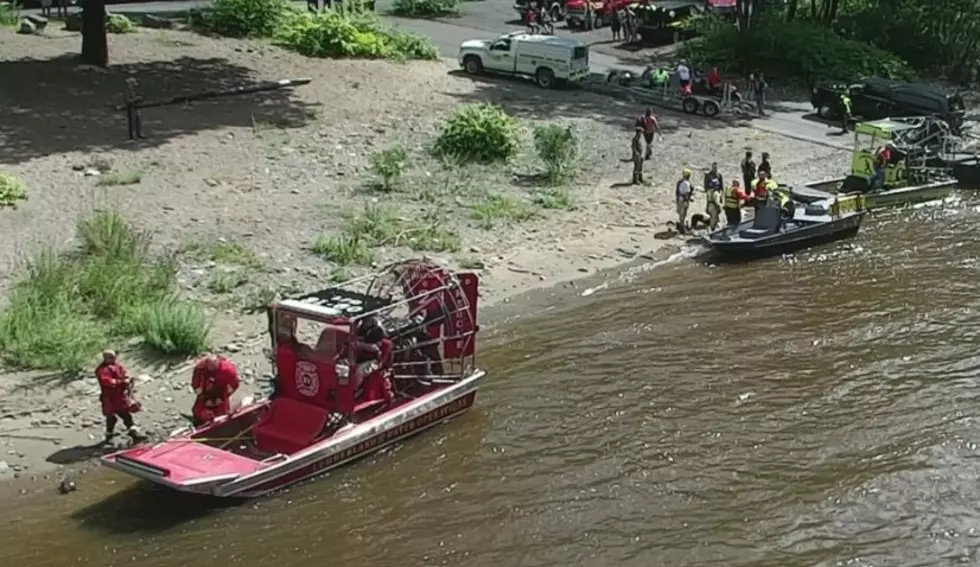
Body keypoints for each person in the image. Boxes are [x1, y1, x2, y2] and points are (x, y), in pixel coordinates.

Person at [96, 350, 146, 443]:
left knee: (125, 414)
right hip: (109, 397)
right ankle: (109, 435)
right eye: (111, 357)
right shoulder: (102, 370)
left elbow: (124, 373)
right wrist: (121, 382)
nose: (114, 359)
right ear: (106, 358)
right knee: (112, 417)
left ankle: (133, 432)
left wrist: (128, 378)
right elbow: (106, 381)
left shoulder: (117, 366)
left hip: (120, 395)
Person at [191, 354, 241, 427]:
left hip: (221, 394)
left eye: (213, 366)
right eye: (209, 366)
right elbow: (195, 385)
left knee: (222, 418)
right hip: (205, 394)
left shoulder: (228, 369)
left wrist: (224, 397)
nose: (211, 368)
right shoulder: (200, 369)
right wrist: (204, 398)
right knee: (198, 414)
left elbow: (235, 384)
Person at [676, 169, 694, 234]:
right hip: (684, 201)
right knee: (683, 215)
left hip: (680, 200)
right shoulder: (686, 183)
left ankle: (681, 226)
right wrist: (689, 199)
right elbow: (687, 193)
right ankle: (682, 228)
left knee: (681, 214)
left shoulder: (680, 182)